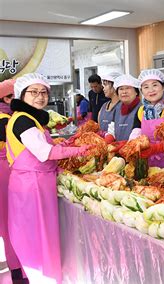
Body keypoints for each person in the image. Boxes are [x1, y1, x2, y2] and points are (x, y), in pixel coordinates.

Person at [6, 73, 89, 283]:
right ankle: (44, 277)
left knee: (39, 234)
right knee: (37, 236)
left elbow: (43, 147)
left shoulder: (31, 118)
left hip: (36, 181)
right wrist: (82, 150)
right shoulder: (23, 120)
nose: (40, 97)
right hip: (31, 185)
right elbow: (45, 153)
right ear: (22, 95)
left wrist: (63, 145)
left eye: (43, 92)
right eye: (33, 92)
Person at [0, 79, 23, 281]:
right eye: (12, 97)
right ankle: (18, 267)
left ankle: (16, 267)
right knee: (11, 221)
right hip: (6, 172)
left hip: (8, 170)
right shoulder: (6, 120)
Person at [104, 74, 142, 143]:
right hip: (118, 151)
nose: (124, 92)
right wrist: (108, 139)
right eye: (121, 89)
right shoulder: (117, 108)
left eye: (128, 88)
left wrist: (128, 147)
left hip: (135, 150)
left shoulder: (142, 108)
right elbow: (112, 129)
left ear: (136, 92)